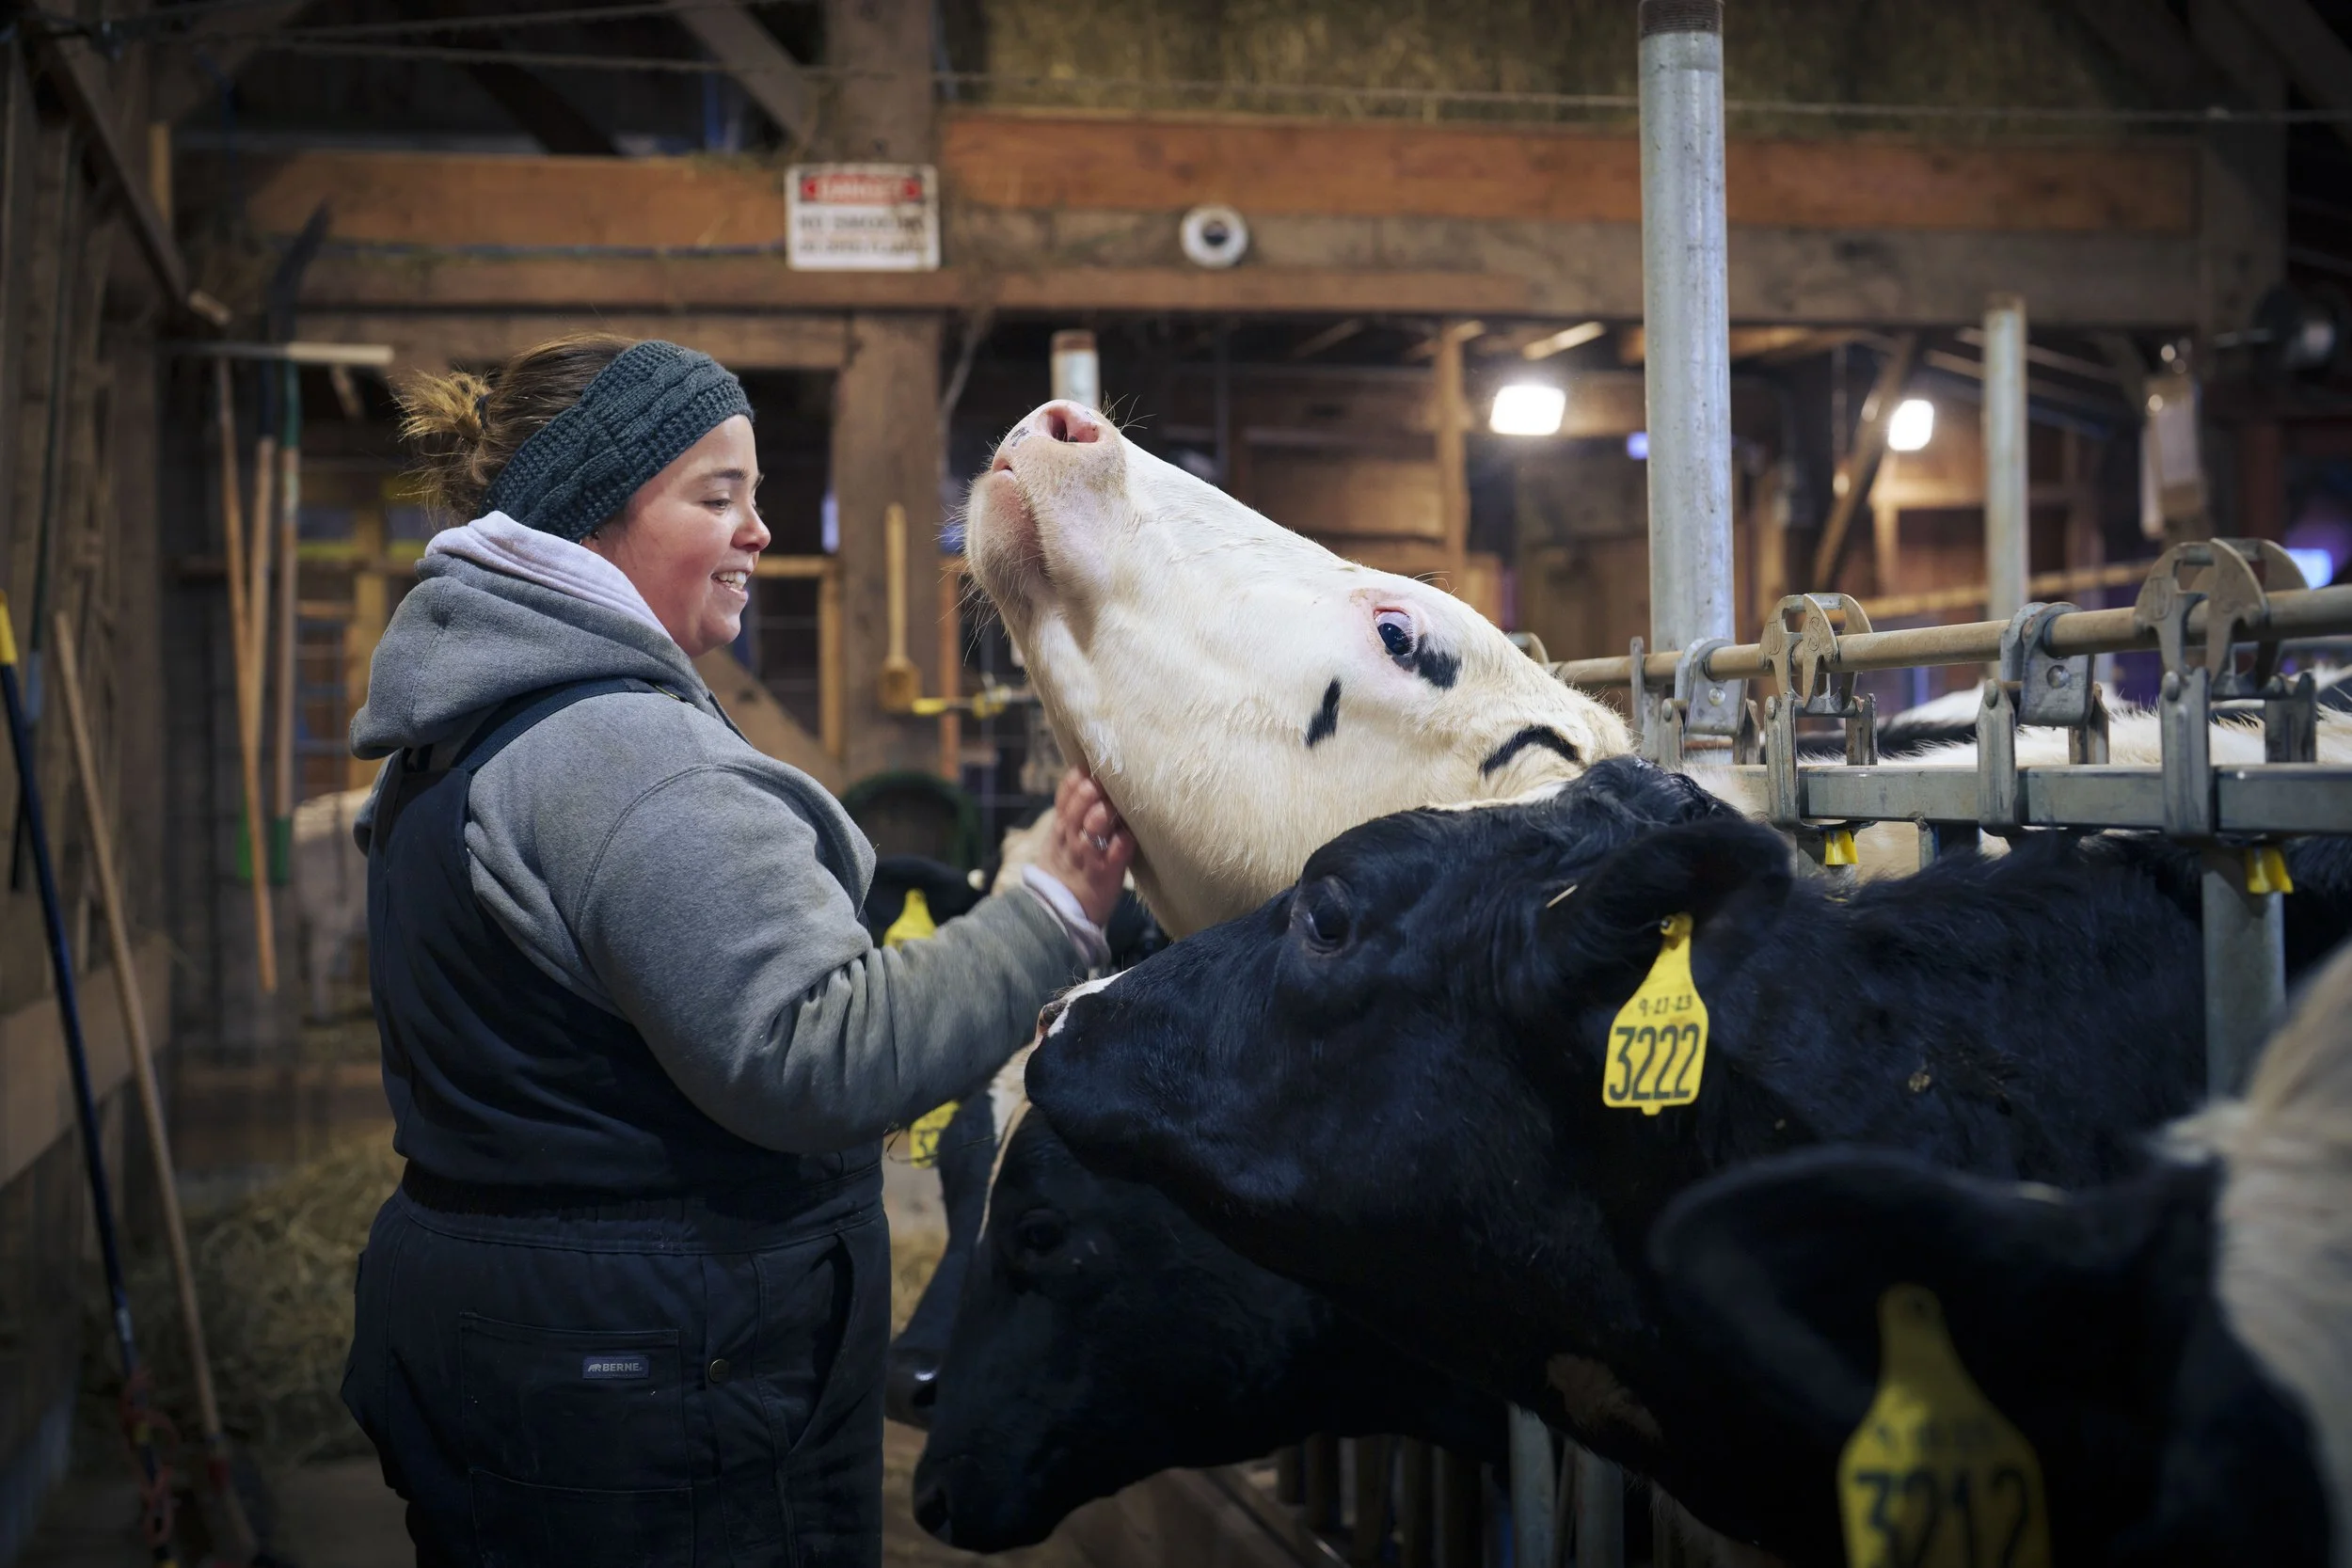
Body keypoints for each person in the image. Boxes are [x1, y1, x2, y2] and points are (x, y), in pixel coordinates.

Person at [338, 336, 1132, 1567]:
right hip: (653, 1369)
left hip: (513, 1326)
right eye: (718, 497)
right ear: (590, 515)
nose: (759, 531)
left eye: (755, 494)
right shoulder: (627, 761)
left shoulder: (454, 733)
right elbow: (815, 1052)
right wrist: (1054, 908)